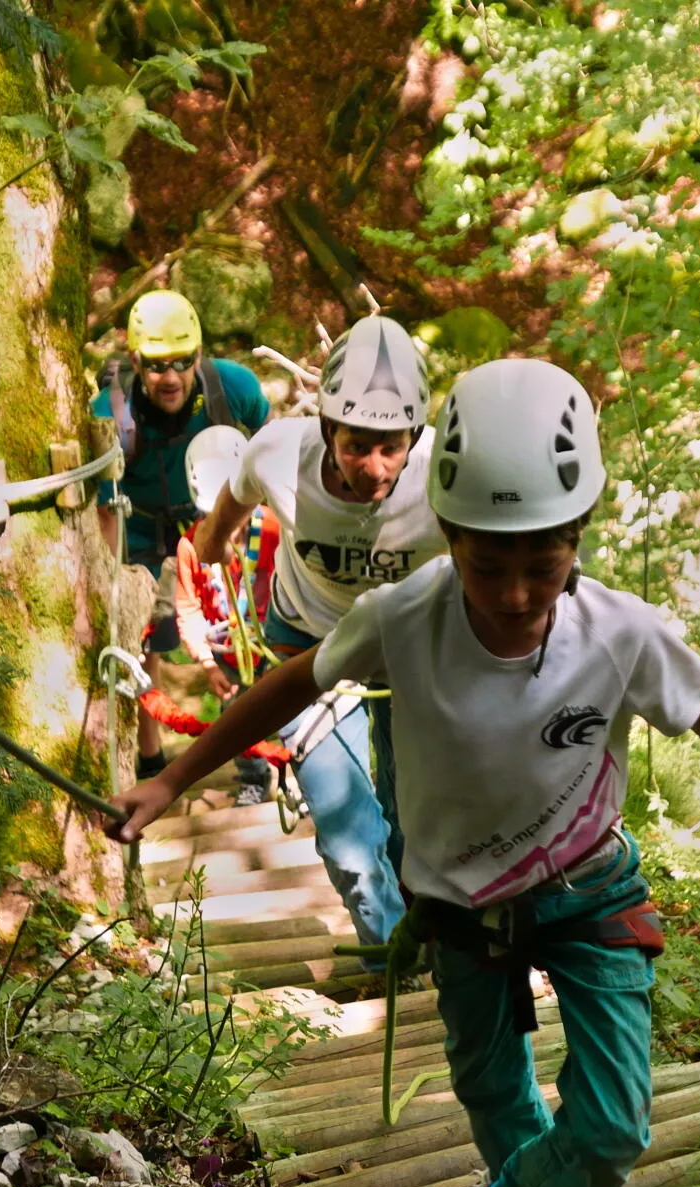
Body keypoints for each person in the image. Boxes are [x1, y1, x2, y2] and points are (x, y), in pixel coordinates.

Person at [109, 358, 700, 1187]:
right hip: (459, 910)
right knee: (493, 1094)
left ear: (578, 537)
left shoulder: (620, 634)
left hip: (588, 894)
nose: (511, 594)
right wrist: (172, 780)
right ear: (448, 535)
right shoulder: (405, 615)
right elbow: (293, 682)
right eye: (484, 562)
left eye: (542, 565)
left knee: (613, 1127)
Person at [193, 313, 443, 950]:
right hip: (308, 642)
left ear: (416, 433)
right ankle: (393, 956)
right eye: (356, 444)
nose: (375, 466)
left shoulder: (446, 469)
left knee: (415, 812)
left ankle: (428, 926)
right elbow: (231, 502)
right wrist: (214, 544)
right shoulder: (280, 450)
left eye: (392, 446)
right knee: (346, 830)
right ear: (326, 427)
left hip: (412, 646)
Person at [94, 289, 270, 779]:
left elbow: (271, 447)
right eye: (155, 365)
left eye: (181, 361)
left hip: (214, 520)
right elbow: (106, 508)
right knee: (140, 639)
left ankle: (251, 761)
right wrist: (115, 582)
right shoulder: (111, 413)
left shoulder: (230, 387)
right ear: (135, 360)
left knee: (235, 632)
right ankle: (151, 760)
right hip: (141, 528)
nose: (170, 376)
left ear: (198, 354)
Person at [174, 426, 274, 807]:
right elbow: (188, 607)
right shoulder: (192, 546)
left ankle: (304, 779)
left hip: (275, 643)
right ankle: (254, 777)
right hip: (228, 653)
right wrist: (205, 661)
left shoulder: (275, 530)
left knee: (293, 713)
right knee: (237, 719)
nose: (227, 522)